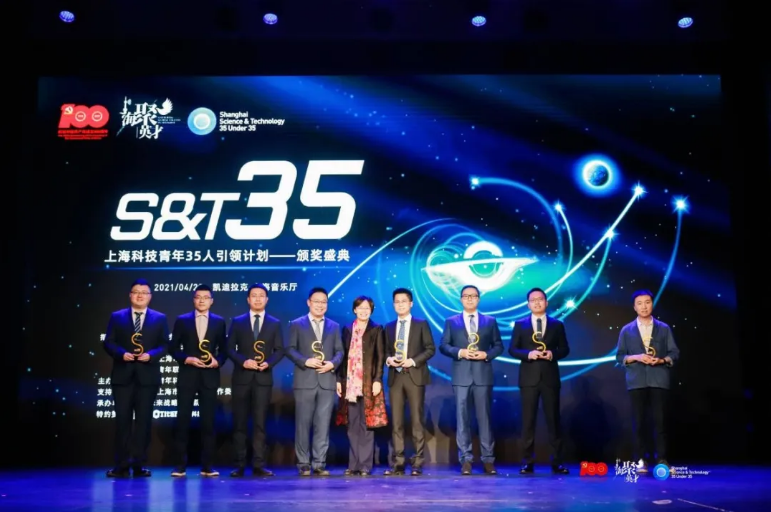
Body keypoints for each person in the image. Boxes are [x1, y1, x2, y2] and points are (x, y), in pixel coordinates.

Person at [102, 278, 169, 478]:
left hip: (148, 377)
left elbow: (165, 345)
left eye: (144, 292)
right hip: (123, 376)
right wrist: (121, 354)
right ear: (130, 295)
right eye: (136, 292)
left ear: (150, 296)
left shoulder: (160, 318)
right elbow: (108, 342)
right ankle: (121, 465)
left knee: (143, 422)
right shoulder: (117, 316)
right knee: (122, 422)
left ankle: (139, 464)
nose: (140, 295)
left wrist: (152, 355)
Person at [439, 285, 503, 475]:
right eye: (466, 296)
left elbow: (499, 346)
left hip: (483, 375)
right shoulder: (451, 321)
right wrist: (460, 352)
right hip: (461, 376)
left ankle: (488, 460)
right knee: (462, 419)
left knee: (485, 419)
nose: (469, 299)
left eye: (473, 296)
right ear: (461, 299)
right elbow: (443, 345)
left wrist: (486, 354)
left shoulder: (490, 321)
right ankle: (466, 460)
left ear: (478, 299)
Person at [616, 289, 680, 473]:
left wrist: (661, 360)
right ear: (634, 307)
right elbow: (619, 356)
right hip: (636, 381)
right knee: (639, 422)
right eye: (640, 303)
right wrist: (637, 357)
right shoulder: (627, 330)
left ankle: (662, 459)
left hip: (659, 379)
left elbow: (674, 353)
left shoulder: (663, 328)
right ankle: (641, 460)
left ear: (652, 304)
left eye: (647, 302)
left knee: (660, 422)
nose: (644, 306)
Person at [509, 287, 570, 475]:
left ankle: (557, 462)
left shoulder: (557, 325)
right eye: (533, 300)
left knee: (554, 421)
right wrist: (529, 354)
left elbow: (565, 349)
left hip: (550, 378)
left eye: (540, 299)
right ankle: (527, 462)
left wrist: (552, 354)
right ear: (528, 304)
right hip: (528, 379)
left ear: (546, 302)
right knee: (528, 422)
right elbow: (512, 349)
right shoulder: (520, 325)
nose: (537, 302)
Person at [170, 285, 228, 478]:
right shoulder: (182, 320)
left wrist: (217, 361)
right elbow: (173, 348)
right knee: (182, 421)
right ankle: (179, 466)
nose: (202, 300)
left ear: (212, 301)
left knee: (208, 423)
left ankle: (207, 466)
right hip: (187, 376)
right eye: (198, 297)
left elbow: (224, 350)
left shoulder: (219, 322)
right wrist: (186, 358)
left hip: (209, 377)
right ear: (193, 300)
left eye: (206, 297)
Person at [227, 283, 284, 477]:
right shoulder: (238, 322)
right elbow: (229, 349)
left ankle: (259, 464)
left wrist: (268, 363)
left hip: (263, 379)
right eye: (254, 295)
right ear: (248, 299)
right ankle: (239, 464)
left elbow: (280, 350)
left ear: (267, 299)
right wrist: (244, 361)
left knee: (260, 423)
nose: (258, 299)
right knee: (239, 423)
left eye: (261, 295)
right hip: (241, 379)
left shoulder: (274, 323)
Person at [286, 287, 344, 476]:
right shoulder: (296, 324)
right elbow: (290, 349)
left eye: (323, 302)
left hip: (326, 381)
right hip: (305, 380)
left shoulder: (334, 326)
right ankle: (303, 463)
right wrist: (305, 361)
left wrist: (332, 364)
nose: (320, 305)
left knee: (323, 425)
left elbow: (340, 351)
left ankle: (319, 463)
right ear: (308, 302)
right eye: (316, 301)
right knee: (302, 424)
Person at [383, 287, 436, 476]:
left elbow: (430, 349)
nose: (400, 305)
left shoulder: (421, 324)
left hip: (414, 375)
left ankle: (417, 462)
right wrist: (389, 359)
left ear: (411, 303)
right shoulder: (389, 327)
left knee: (416, 421)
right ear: (393, 304)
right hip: (396, 377)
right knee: (397, 422)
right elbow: (385, 351)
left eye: (403, 301)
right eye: (397, 302)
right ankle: (398, 463)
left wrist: (412, 361)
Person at [337, 296, 385, 476]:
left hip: (368, 383)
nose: (364, 311)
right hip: (350, 384)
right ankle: (353, 464)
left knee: (366, 424)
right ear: (354, 310)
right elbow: (342, 356)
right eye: (360, 307)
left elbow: (380, 357)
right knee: (352, 425)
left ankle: (365, 465)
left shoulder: (376, 329)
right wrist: (339, 380)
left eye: (367, 308)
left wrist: (377, 379)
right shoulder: (347, 329)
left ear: (371, 310)